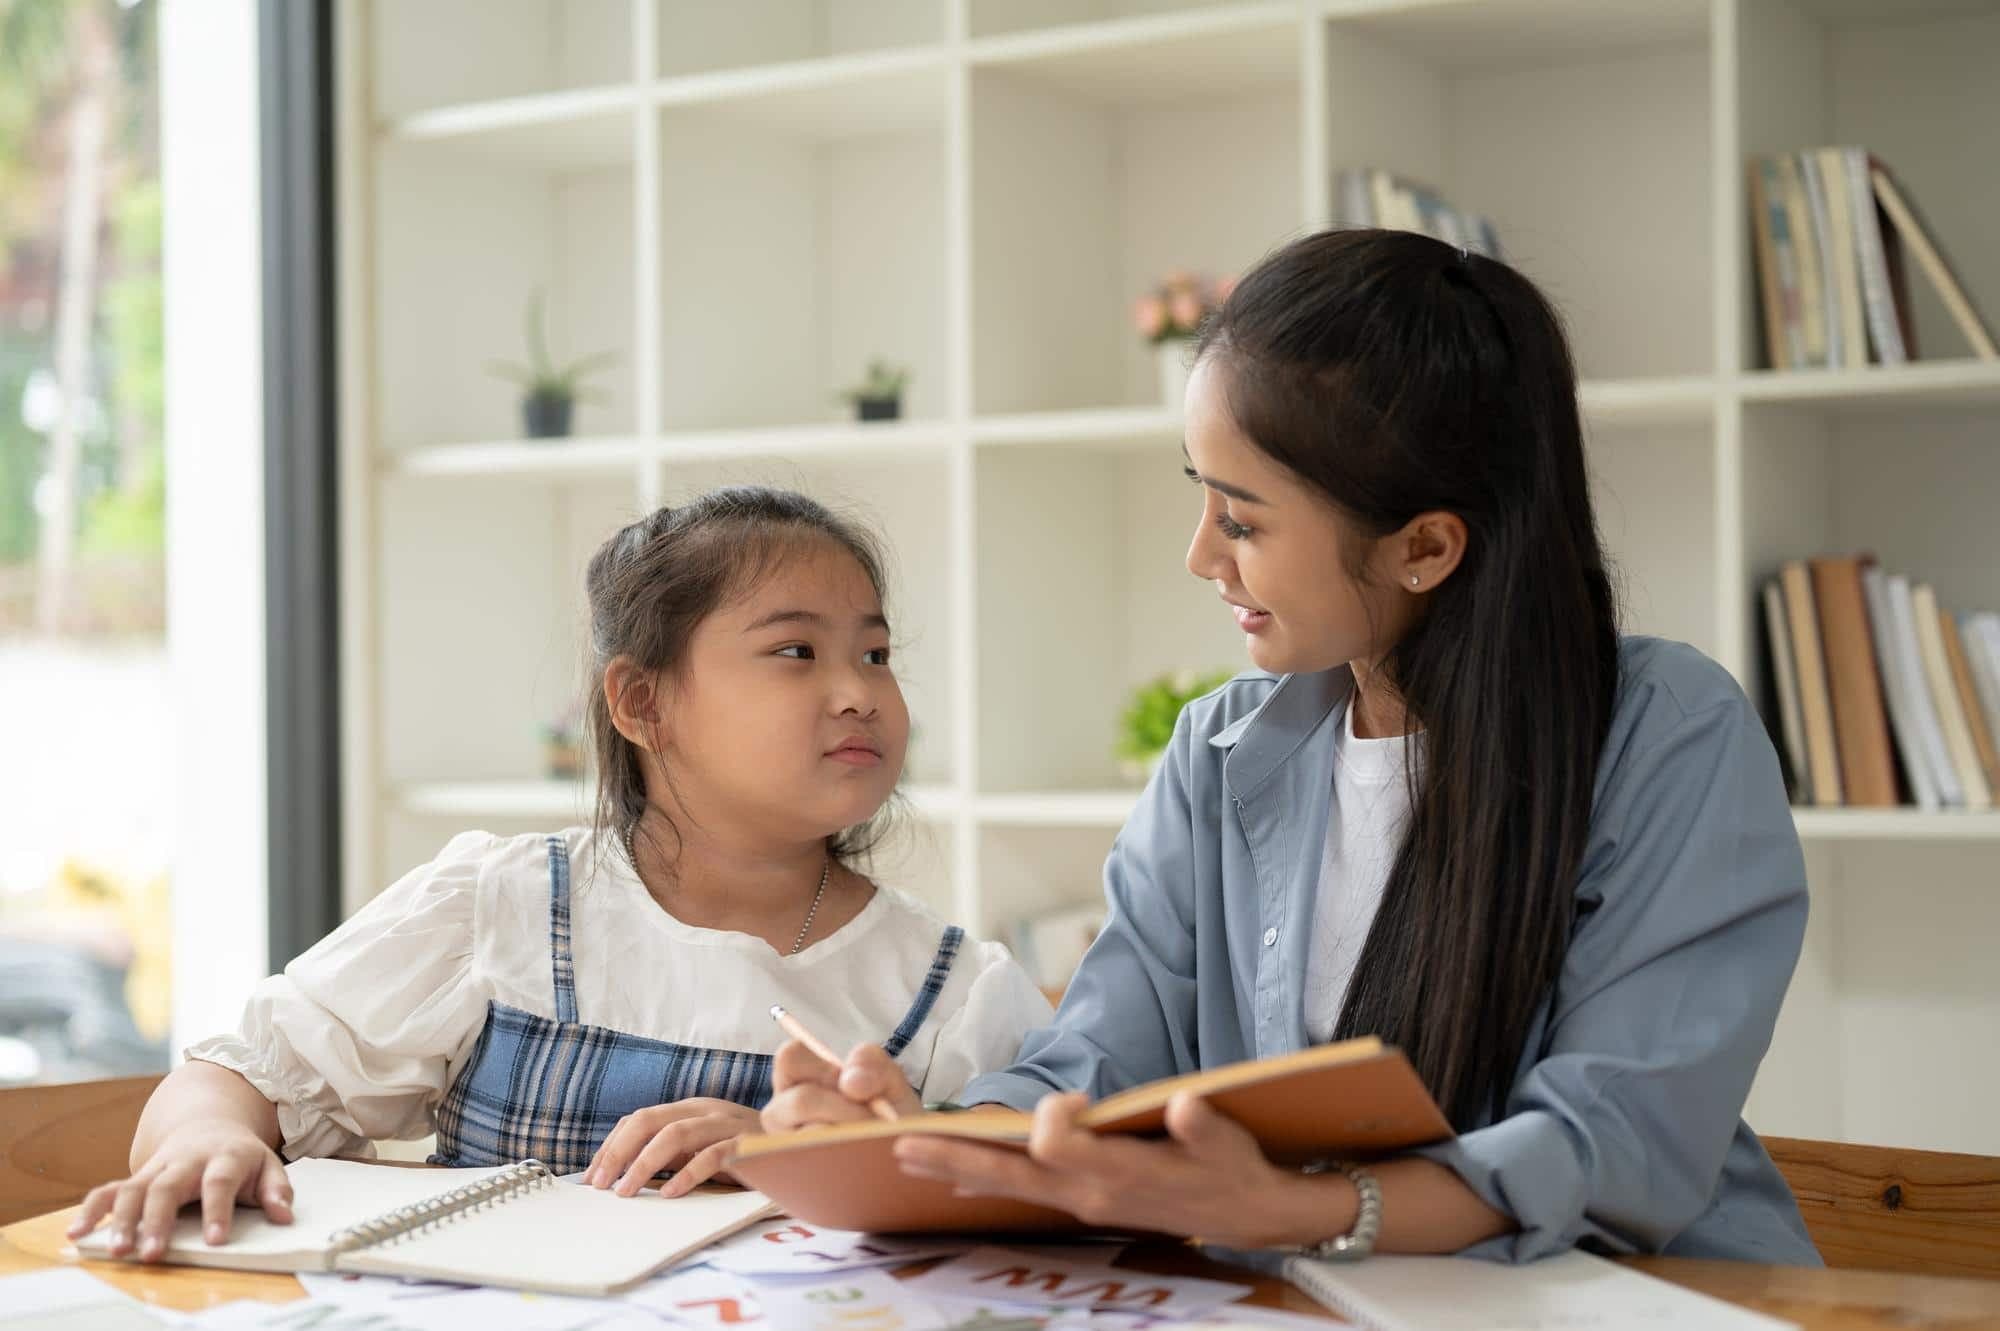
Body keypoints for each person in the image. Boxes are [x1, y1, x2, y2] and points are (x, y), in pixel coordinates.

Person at [763, 230, 1820, 1266]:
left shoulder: (1666, 734)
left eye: (1242, 521)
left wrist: (1297, 1205)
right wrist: (925, 1137)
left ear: (1423, 547)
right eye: (1200, 499)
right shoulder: (1218, 749)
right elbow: (1093, 1061)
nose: (1198, 556)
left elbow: (1612, 1141)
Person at [73, 486, 1051, 1262]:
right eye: (795, 650)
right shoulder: (499, 908)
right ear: (640, 701)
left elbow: (1014, 1213)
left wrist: (807, 1154)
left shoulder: (952, 991)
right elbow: (241, 1068)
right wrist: (209, 1138)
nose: (858, 692)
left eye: (874, 652)